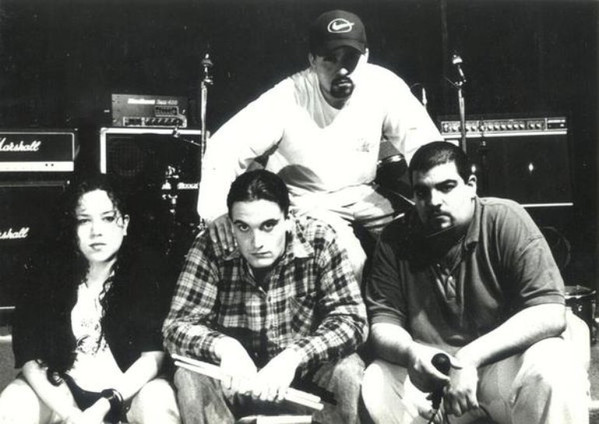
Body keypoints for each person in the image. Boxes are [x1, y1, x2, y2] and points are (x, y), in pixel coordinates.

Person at [198, 9, 442, 279]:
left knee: (423, 238)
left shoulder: (384, 85)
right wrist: (215, 211)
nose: (342, 69)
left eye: (351, 58)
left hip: (363, 192)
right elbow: (224, 147)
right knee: (349, 260)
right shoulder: (287, 97)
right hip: (307, 199)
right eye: (330, 59)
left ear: (366, 56)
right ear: (312, 60)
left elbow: (428, 148)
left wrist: (441, 197)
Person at [361, 142, 590, 423]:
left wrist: (469, 359)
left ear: (471, 185)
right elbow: (383, 325)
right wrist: (411, 353)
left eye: (446, 187)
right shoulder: (395, 237)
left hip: (498, 369)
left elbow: (549, 312)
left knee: (555, 364)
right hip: (433, 377)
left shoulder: (504, 218)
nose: (433, 201)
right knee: (376, 381)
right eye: (422, 192)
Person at [163, 170, 368, 423]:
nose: (256, 241)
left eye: (268, 225)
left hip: (303, 379)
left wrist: (294, 357)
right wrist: (226, 348)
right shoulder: (211, 245)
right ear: (230, 223)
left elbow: (352, 320)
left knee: (347, 369)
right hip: (235, 382)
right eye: (243, 227)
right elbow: (176, 326)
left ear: (288, 219)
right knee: (189, 375)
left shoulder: (319, 240)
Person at [0, 175, 180, 424]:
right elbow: (31, 357)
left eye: (108, 218)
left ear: (125, 224)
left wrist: (104, 406)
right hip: (63, 392)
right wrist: (70, 414)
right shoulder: (47, 275)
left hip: (126, 394)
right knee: (12, 403)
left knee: (159, 401)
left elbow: (153, 357)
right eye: (84, 220)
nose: (97, 231)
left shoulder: (147, 275)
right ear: (72, 227)